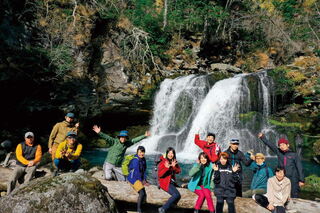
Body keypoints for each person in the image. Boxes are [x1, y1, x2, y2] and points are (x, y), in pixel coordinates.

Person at [258, 133, 304, 198]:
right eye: (280, 145)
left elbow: (300, 167)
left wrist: (301, 180)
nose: (281, 146)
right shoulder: (279, 152)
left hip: (293, 178)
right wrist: (262, 137)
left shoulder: (294, 155)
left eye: (283, 144)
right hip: (282, 177)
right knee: (282, 194)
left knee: (294, 194)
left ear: (287, 145)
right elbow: (271, 145)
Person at [158, 147, 181, 213]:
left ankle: (167, 208)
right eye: (169, 153)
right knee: (176, 195)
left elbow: (178, 171)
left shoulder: (173, 161)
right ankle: (163, 208)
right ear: (167, 153)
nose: (171, 154)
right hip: (165, 183)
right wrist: (166, 168)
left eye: (172, 153)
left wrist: (174, 166)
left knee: (177, 194)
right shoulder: (163, 162)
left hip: (171, 182)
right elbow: (160, 175)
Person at [127, 146, 148, 213]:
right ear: (137, 152)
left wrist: (144, 179)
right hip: (133, 178)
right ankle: (139, 210)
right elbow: (137, 172)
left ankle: (143, 207)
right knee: (142, 192)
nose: (141, 153)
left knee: (144, 192)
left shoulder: (143, 159)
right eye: (140, 152)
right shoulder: (135, 160)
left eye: (142, 152)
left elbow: (144, 170)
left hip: (139, 178)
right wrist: (142, 182)